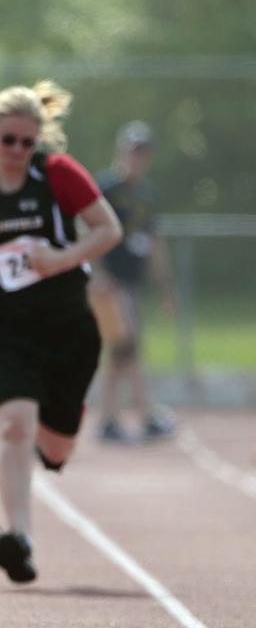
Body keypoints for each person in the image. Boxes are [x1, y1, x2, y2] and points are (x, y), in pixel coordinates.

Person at [0, 80, 122, 584]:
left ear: (39, 142)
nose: (16, 151)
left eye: (27, 143)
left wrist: (61, 258)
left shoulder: (58, 176)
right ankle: (19, 539)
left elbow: (108, 229)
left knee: (55, 451)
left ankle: (53, 437)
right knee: (12, 426)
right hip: (5, 328)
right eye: (8, 140)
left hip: (67, 328)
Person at [91, 121, 177, 444]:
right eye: (132, 151)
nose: (136, 158)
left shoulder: (147, 195)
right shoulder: (106, 188)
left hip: (132, 282)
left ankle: (109, 419)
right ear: (121, 152)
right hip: (111, 283)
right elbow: (89, 230)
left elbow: (154, 244)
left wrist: (167, 289)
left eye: (142, 153)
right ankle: (144, 414)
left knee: (120, 353)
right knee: (128, 347)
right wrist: (97, 275)